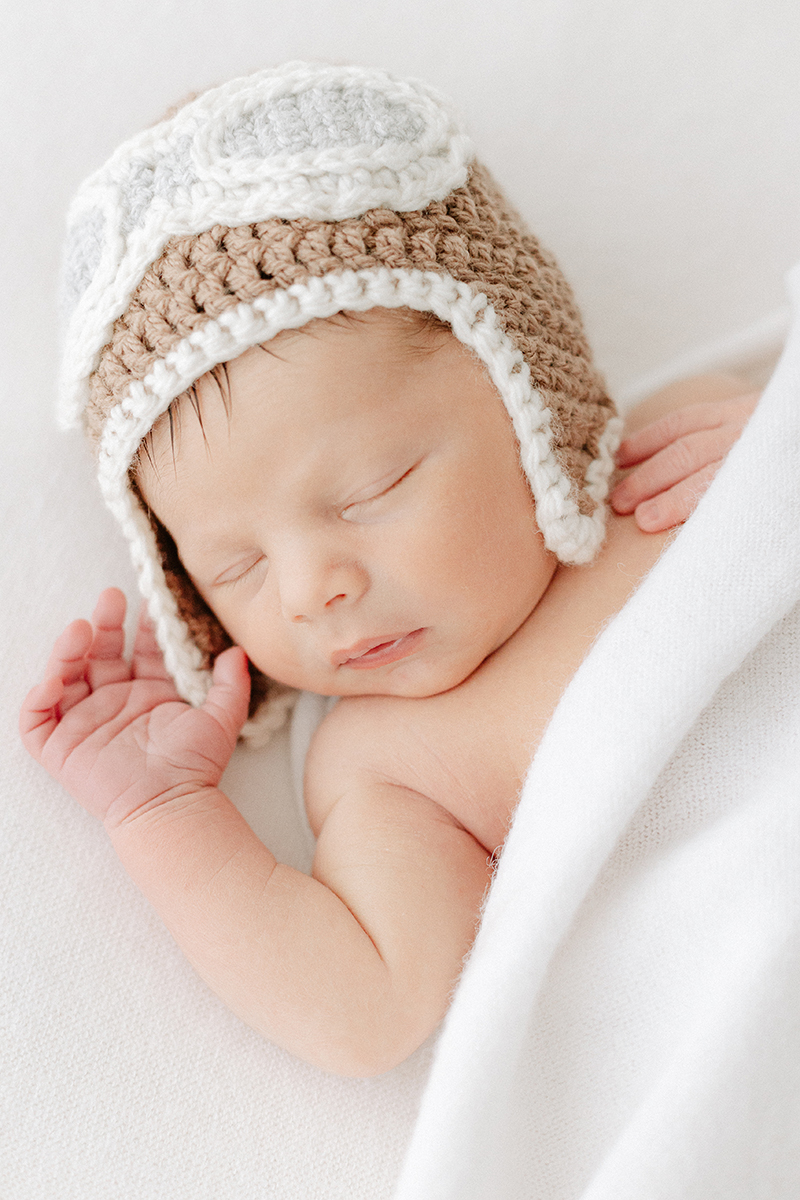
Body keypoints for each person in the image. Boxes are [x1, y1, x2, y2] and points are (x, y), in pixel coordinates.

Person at [20, 63, 758, 1076]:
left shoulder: (685, 450)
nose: (309, 589)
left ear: (530, 395)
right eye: (233, 567)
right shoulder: (388, 765)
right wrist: (164, 816)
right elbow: (363, 1009)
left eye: (370, 491)